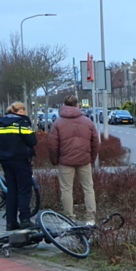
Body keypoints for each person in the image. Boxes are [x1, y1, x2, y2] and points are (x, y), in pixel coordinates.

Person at [49, 96, 99, 225]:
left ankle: (69, 219)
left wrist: (55, 161)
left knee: (66, 189)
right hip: (84, 160)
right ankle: (90, 219)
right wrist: (91, 159)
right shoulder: (88, 122)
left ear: (64, 105)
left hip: (65, 161)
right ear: (77, 105)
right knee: (88, 188)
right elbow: (95, 143)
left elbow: (53, 145)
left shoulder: (58, 123)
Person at [0, 102, 37, 231]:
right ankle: (25, 220)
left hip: (6, 161)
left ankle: (10, 222)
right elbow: (32, 141)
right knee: (24, 190)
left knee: (11, 191)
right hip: (21, 160)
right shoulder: (22, 122)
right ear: (22, 111)